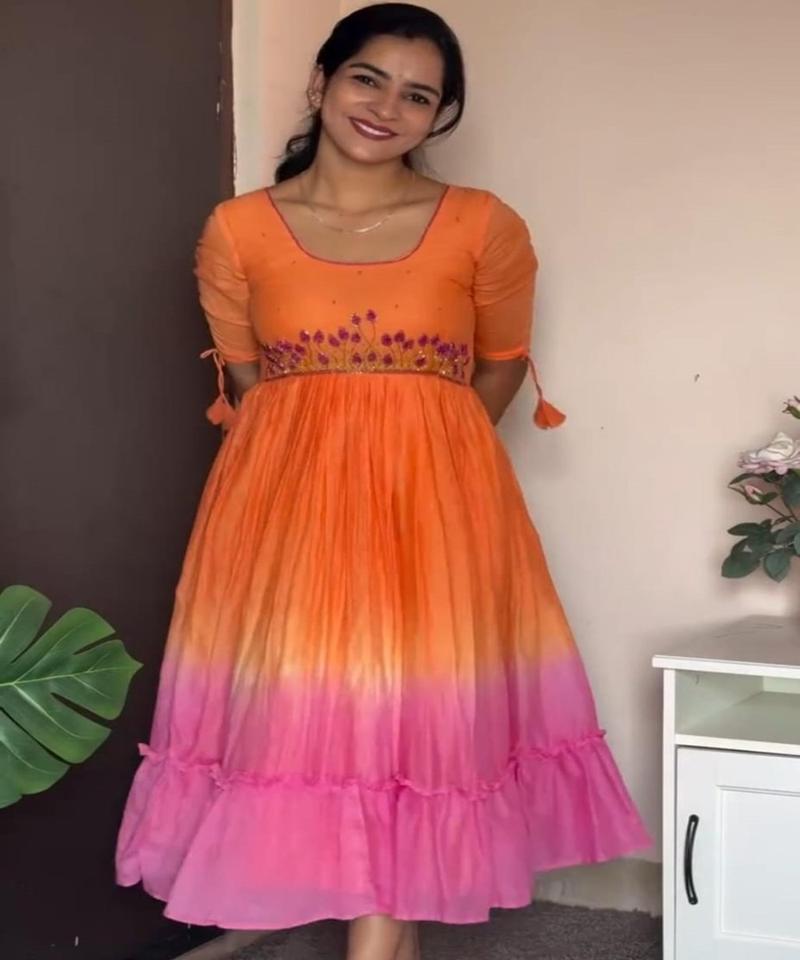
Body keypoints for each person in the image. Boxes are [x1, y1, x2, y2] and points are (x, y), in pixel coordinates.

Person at [115, 4, 651, 959]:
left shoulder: (483, 224)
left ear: (439, 116)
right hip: (285, 505)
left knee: (413, 717)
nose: (386, 107)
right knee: (318, 716)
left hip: (436, 503)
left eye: (418, 95)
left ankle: (376, 941)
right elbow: (250, 381)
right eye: (368, 78)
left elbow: (498, 367)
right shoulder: (238, 231)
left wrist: (422, 460)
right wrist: (332, 459)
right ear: (322, 81)